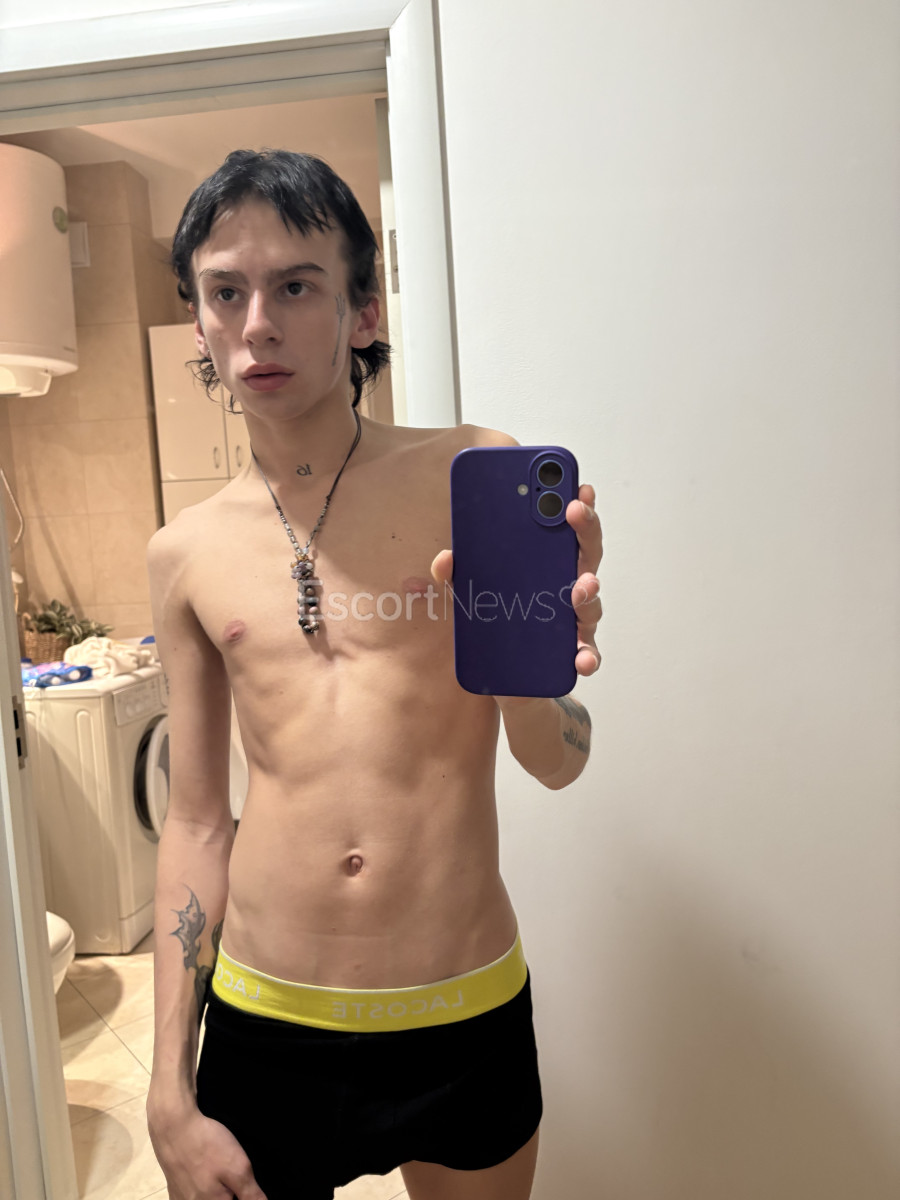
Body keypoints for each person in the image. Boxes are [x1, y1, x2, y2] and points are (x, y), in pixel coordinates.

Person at [145, 149, 602, 1200]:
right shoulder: (184, 553)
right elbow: (198, 821)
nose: (258, 323)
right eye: (226, 291)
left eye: (296, 286)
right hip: (267, 1020)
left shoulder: (469, 476)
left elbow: (558, 761)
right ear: (201, 325)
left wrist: (538, 659)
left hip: (464, 1013)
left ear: (361, 312)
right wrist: (168, 1088)